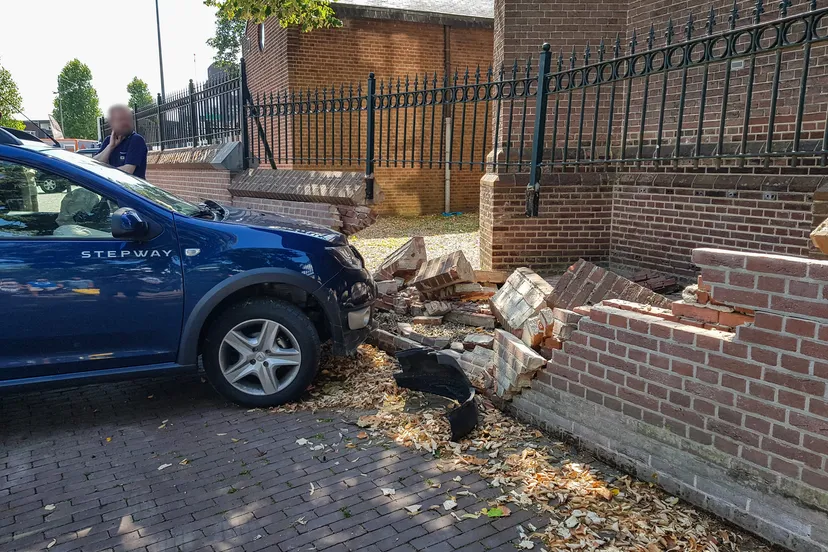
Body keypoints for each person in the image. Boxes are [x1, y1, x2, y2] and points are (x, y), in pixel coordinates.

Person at [94, 105, 148, 178]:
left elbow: (128, 171)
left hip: (130, 188)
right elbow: (94, 164)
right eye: (120, 120)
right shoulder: (108, 140)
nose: (125, 123)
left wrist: (102, 171)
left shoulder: (136, 140)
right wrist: (110, 147)